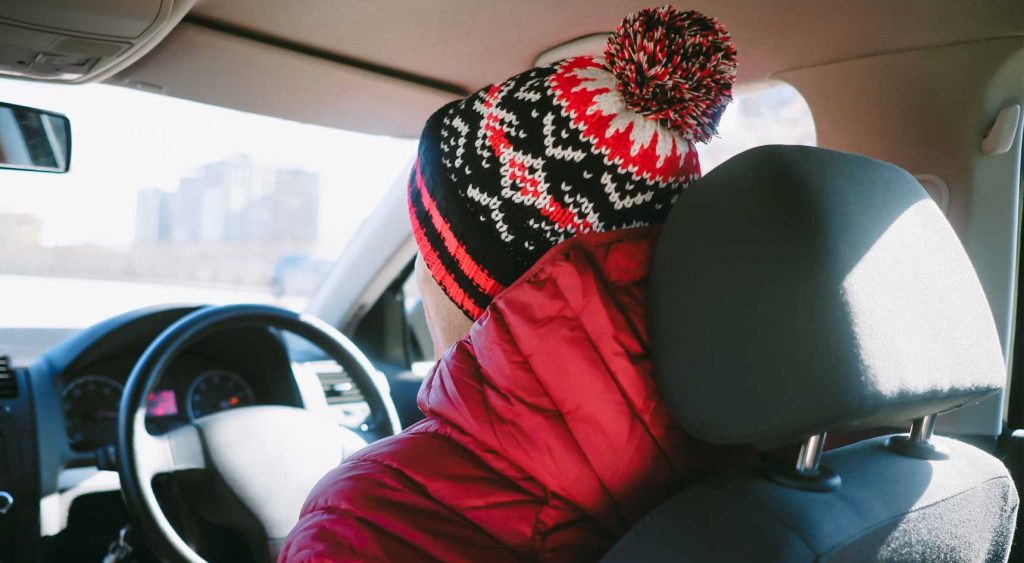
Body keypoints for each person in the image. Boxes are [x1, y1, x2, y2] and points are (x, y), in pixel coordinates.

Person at [280, 7, 752, 561]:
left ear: (473, 290)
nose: (418, 278)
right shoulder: (768, 442)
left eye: (425, 253)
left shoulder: (367, 522)